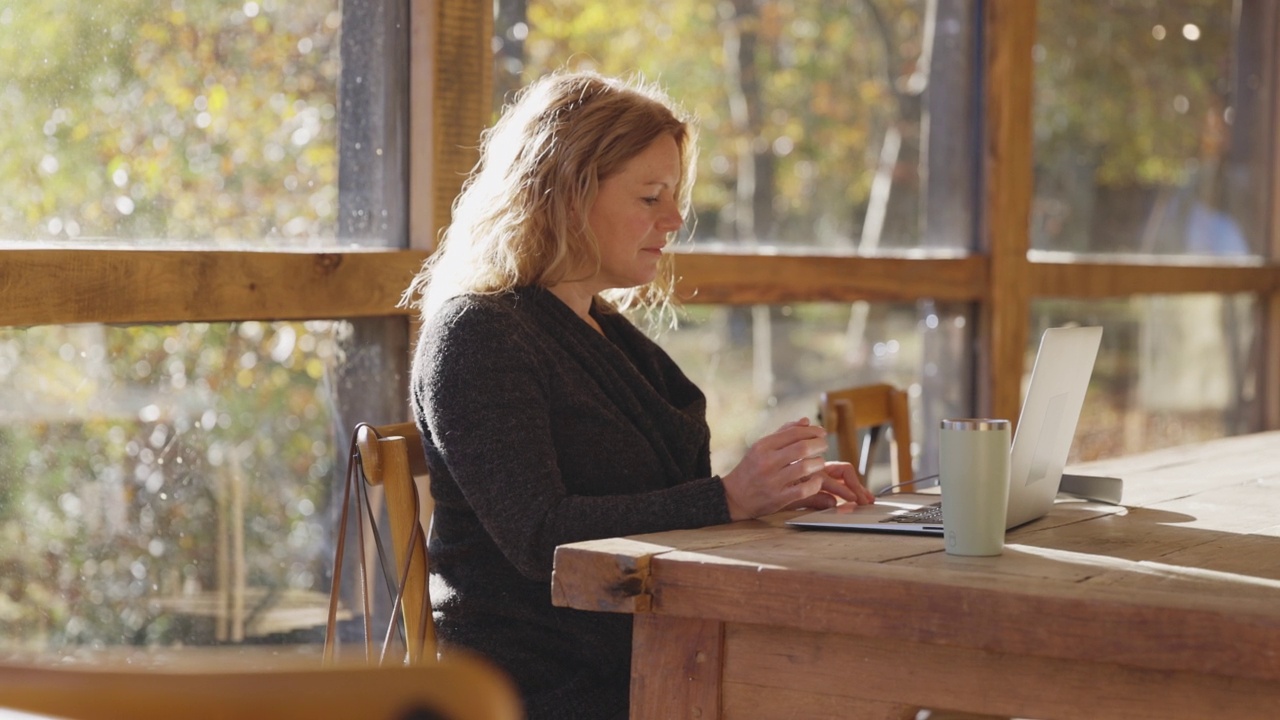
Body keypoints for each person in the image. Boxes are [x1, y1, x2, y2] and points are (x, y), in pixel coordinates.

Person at [400, 70, 874, 720]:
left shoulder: (603, 329)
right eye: (651, 196)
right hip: (534, 685)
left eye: (674, 196)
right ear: (564, 193)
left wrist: (770, 498)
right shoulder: (479, 334)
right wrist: (729, 498)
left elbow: (660, 499)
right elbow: (541, 538)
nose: (675, 219)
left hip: (646, 647)